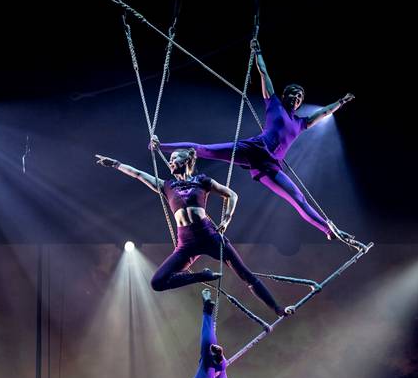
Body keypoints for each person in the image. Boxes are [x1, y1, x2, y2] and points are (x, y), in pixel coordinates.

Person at [150, 40, 363, 250]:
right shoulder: (274, 104)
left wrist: (341, 102)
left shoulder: (301, 123)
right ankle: (162, 145)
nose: (297, 97)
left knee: (299, 200)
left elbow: (324, 112)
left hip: (270, 166)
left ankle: (328, 230)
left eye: (300, 96)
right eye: (293, 93)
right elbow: (264, 73)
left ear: (300, 103)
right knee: (204, 149)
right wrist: (257, 51)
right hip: (252, 149)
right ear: (285, 95)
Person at [96, 149, 291, 317]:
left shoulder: (202, 181)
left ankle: (277, 309)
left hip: (211, 237)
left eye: (175, 158)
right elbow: (138, 174)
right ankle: (201, 276)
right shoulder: (167, 186)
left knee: (246, 275)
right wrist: (115, 164)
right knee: (158, 282)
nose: (171, 161)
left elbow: (231, 194)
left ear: (187, 161)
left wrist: (226, 219)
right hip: (186, 244)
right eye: (170, 159)